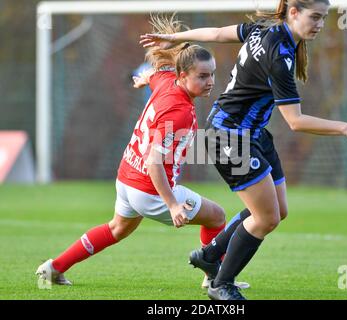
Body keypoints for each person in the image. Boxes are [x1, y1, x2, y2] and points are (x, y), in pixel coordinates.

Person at [140, 0, 347, 300]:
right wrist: (346, 128)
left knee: (277, 211)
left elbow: (216, 33)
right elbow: (295, 121)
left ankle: (210, 255)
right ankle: (221, 284)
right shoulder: (279, 56)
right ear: (293, 12)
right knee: (265, 218)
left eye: (324, 17)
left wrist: (174, 38)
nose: (320, 24)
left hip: (252, 134)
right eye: (315, 17)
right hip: (229, 137)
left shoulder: (265, 28)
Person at [36, 15, 231, 291]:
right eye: (202, 76)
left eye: (212, 74)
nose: (210, 81)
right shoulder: (179, 112)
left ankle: (54, 267)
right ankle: (215, 279)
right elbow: (154, 162)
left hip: (126, 178)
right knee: (217, 217)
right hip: (150, 190)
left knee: (117, 228)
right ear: (182, 75)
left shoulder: (165, 81)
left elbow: (154, 74)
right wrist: (173, 205)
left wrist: (143, 80)